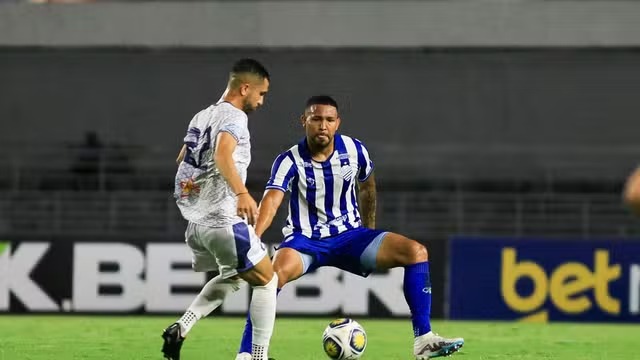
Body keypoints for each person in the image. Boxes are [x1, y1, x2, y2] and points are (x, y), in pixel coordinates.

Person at [235, 95, 464, 360]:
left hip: (351, 236)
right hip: (305, 240)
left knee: (417, 252)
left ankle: (423, 340)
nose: (323, 125)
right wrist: (255, 238)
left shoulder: (355, 150)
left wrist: (368, 232)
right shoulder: (289, 160)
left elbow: (367, 187)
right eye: (316, 119)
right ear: (304, 121)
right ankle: (247, 354)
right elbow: (272, 200)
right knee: (271, 277)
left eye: (329, 120)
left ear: (337, 123)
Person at [161, 58, 277, 360]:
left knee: (236, 277)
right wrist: (241, 193)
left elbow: (182, 160)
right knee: (269, 279)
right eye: (261, 94)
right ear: (246, 88)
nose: (262, 101)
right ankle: (259, 356)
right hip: (223, 219)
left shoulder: (202, 115)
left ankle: (182, 326)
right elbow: (223, 152)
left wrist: (198, 195)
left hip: (197, 223)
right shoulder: (235, 117)